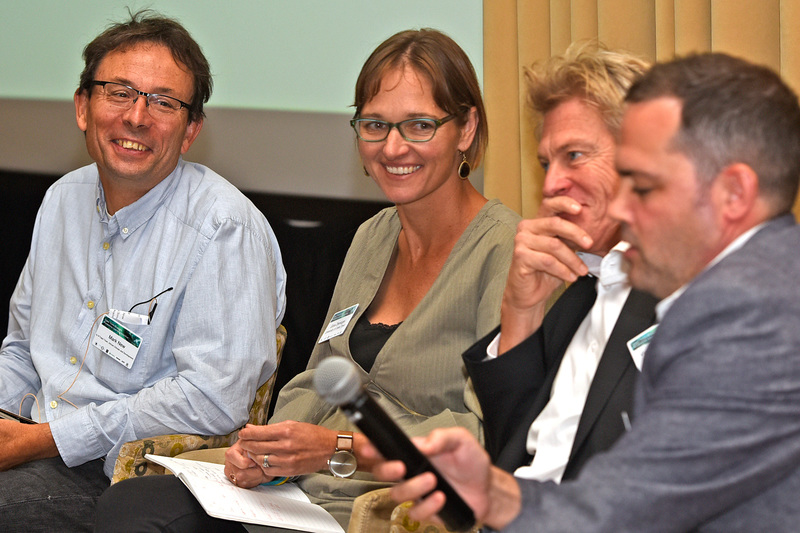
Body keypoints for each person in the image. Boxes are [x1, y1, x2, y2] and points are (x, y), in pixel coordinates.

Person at [95, 28, 520, 531]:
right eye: (375, 125)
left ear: (466, 129)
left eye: (420, 125)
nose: (394, 147)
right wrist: (265, 447)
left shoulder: (507, 251)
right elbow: (323, 375)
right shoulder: (374, 236)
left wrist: (336, 448)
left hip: (386, 509)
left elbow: (487, 428)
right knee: (131, 508)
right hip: (298, 494)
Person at [372, 52, 800, 532]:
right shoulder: (592, 278)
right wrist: (520, 312)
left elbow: (625, 510)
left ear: (734, 193)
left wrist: (496, 497)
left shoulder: (755, 312)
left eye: (642, 184)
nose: (621, 203)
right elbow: (527, 449)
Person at [0, 10, 286, 532]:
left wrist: (45, 440)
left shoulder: (224, 226)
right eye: (119, 92)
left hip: (130, 479)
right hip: (36, 447)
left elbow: (213, 398)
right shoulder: (60, 201)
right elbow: (21, 346)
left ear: (191, 128)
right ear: (83, 107)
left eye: (163, 101)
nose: (136, 117)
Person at [463, 43, 655, 482]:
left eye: (574, 156)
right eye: (546, 163)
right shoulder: (583, 288)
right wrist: (521, 311)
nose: (550, 185)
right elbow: (513, 452)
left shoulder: (694, 291)